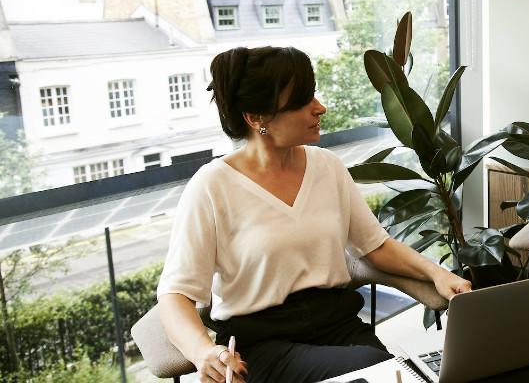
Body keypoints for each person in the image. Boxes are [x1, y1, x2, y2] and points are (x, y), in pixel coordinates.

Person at [156, 46, 471, 383]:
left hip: (339, 327)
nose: (320, 107)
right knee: (377, 369)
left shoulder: (327, 167)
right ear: (257, 118)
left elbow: (375, 245)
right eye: (302, 101)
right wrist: (202, 352)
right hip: (264, 347)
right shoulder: (211, 186)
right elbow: (175, 294)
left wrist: (437, 273)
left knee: (398, 373)